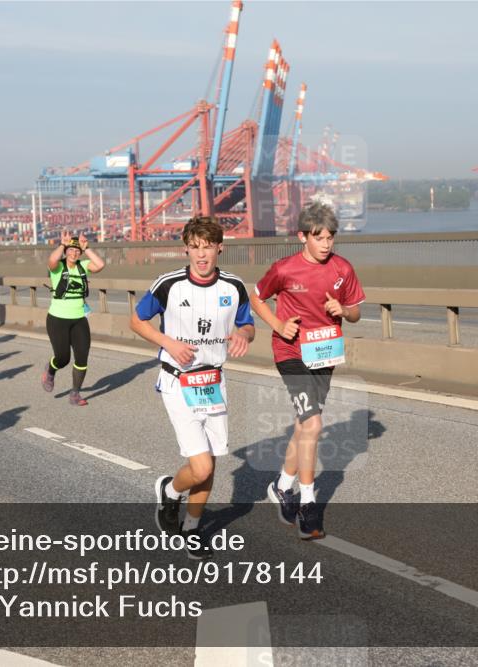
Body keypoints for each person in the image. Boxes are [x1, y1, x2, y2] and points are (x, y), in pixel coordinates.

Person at [130, 217, 255, 560]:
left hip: (213, 381)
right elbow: (137, 320)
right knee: (200, 467)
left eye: (208, 247)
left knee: (210, 465)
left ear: (219, 248)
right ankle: (170, 491)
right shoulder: (169, 285)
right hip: (177, 380)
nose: (202, 255)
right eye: (195, 247)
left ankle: (192, 528)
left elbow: (247, 324)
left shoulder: (233, 286)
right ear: (186, 248)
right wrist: (166, 341)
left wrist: (243, 335)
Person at [249, 202, 365, 540]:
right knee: (314, 423)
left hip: (324, 353)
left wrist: (342, 308)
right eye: (319, 238)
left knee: (304, 424)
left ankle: (283, 487)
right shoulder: (285, 269)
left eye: (330, 237)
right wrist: (277, 324)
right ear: (302, 237)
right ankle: (308, 503)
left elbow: (356, 313)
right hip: (290, 352)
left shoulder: (343, 268)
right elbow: (256, 297)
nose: (326, 244)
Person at [40, 232, 105, 406]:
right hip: (57, 319)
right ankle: (51, 369)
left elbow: (100, 265)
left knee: (82, 358)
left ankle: (75, 393)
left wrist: (87, 248)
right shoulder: (59, 267)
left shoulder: (83, 265)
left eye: (77, 251)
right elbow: (51, 261)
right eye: (71, 250)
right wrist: (61, 245)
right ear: (66, 250)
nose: (74, 253)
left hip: (79, 319)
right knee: (63, 358)